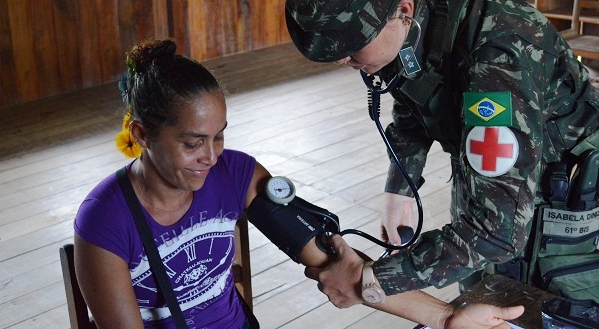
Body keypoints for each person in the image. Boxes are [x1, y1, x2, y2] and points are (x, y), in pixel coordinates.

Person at [73, 38, 525, 328]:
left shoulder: (235, 174)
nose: (210, 157)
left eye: (219, 136)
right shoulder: (105, 222)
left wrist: (447, 318)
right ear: (141, 135)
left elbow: (337, 264)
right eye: (193, 143)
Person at [285, 0, 599, 310]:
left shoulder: (496, 51)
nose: (342, 60)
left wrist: (371, 279)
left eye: (350, 45)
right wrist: (400, 186)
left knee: (555, 311)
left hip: (565, 213)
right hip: (490, 188)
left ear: (404, 11)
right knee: (483, 301)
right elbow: (411, 95)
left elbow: (497, 232)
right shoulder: (410, 4)